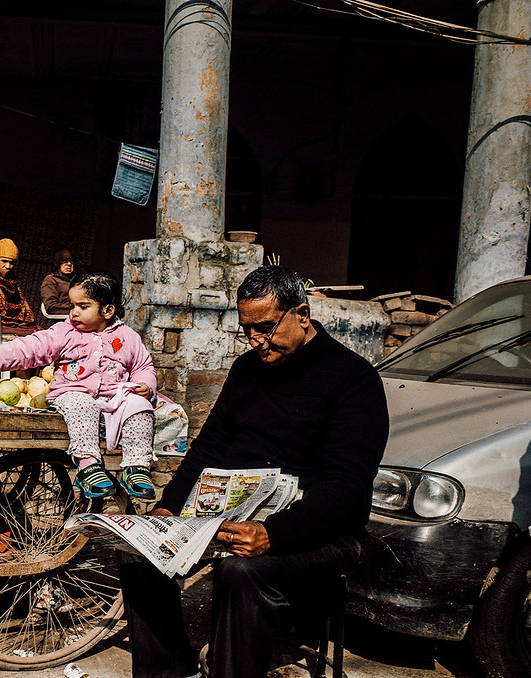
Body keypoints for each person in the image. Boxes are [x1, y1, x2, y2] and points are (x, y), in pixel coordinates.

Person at [120, 265, 389, 678]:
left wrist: (273, 534)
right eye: (246, 330)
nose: (255, 341)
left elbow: (346, 486)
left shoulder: (354, 379)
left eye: (265, 328)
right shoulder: (247, 369)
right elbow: (208, 447)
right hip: (234, 516)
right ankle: (172, 670)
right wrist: (168, 509)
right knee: (139, 556)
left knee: (242, 572)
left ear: (302, 314)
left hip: (321, 532)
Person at [0, 271, 159, 499]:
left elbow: (143, 366)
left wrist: (145, 385)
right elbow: (30, 348)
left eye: (83, 306)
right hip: (72, 395)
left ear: (107, 311)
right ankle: (88, 466)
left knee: (140, 406)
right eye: (72, 305)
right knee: (83, 404)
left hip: (115, 398)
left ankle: (136, 467)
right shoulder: (64, 332)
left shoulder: (128, 337)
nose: (74, 312)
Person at [40, 249, 75, 317]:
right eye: (64, 260)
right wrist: (76, 310)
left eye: (71, 261)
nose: (69, 264)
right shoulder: (51, 280)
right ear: (56, 263)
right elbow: (51, 307)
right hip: (66, 318)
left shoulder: (78, 280)